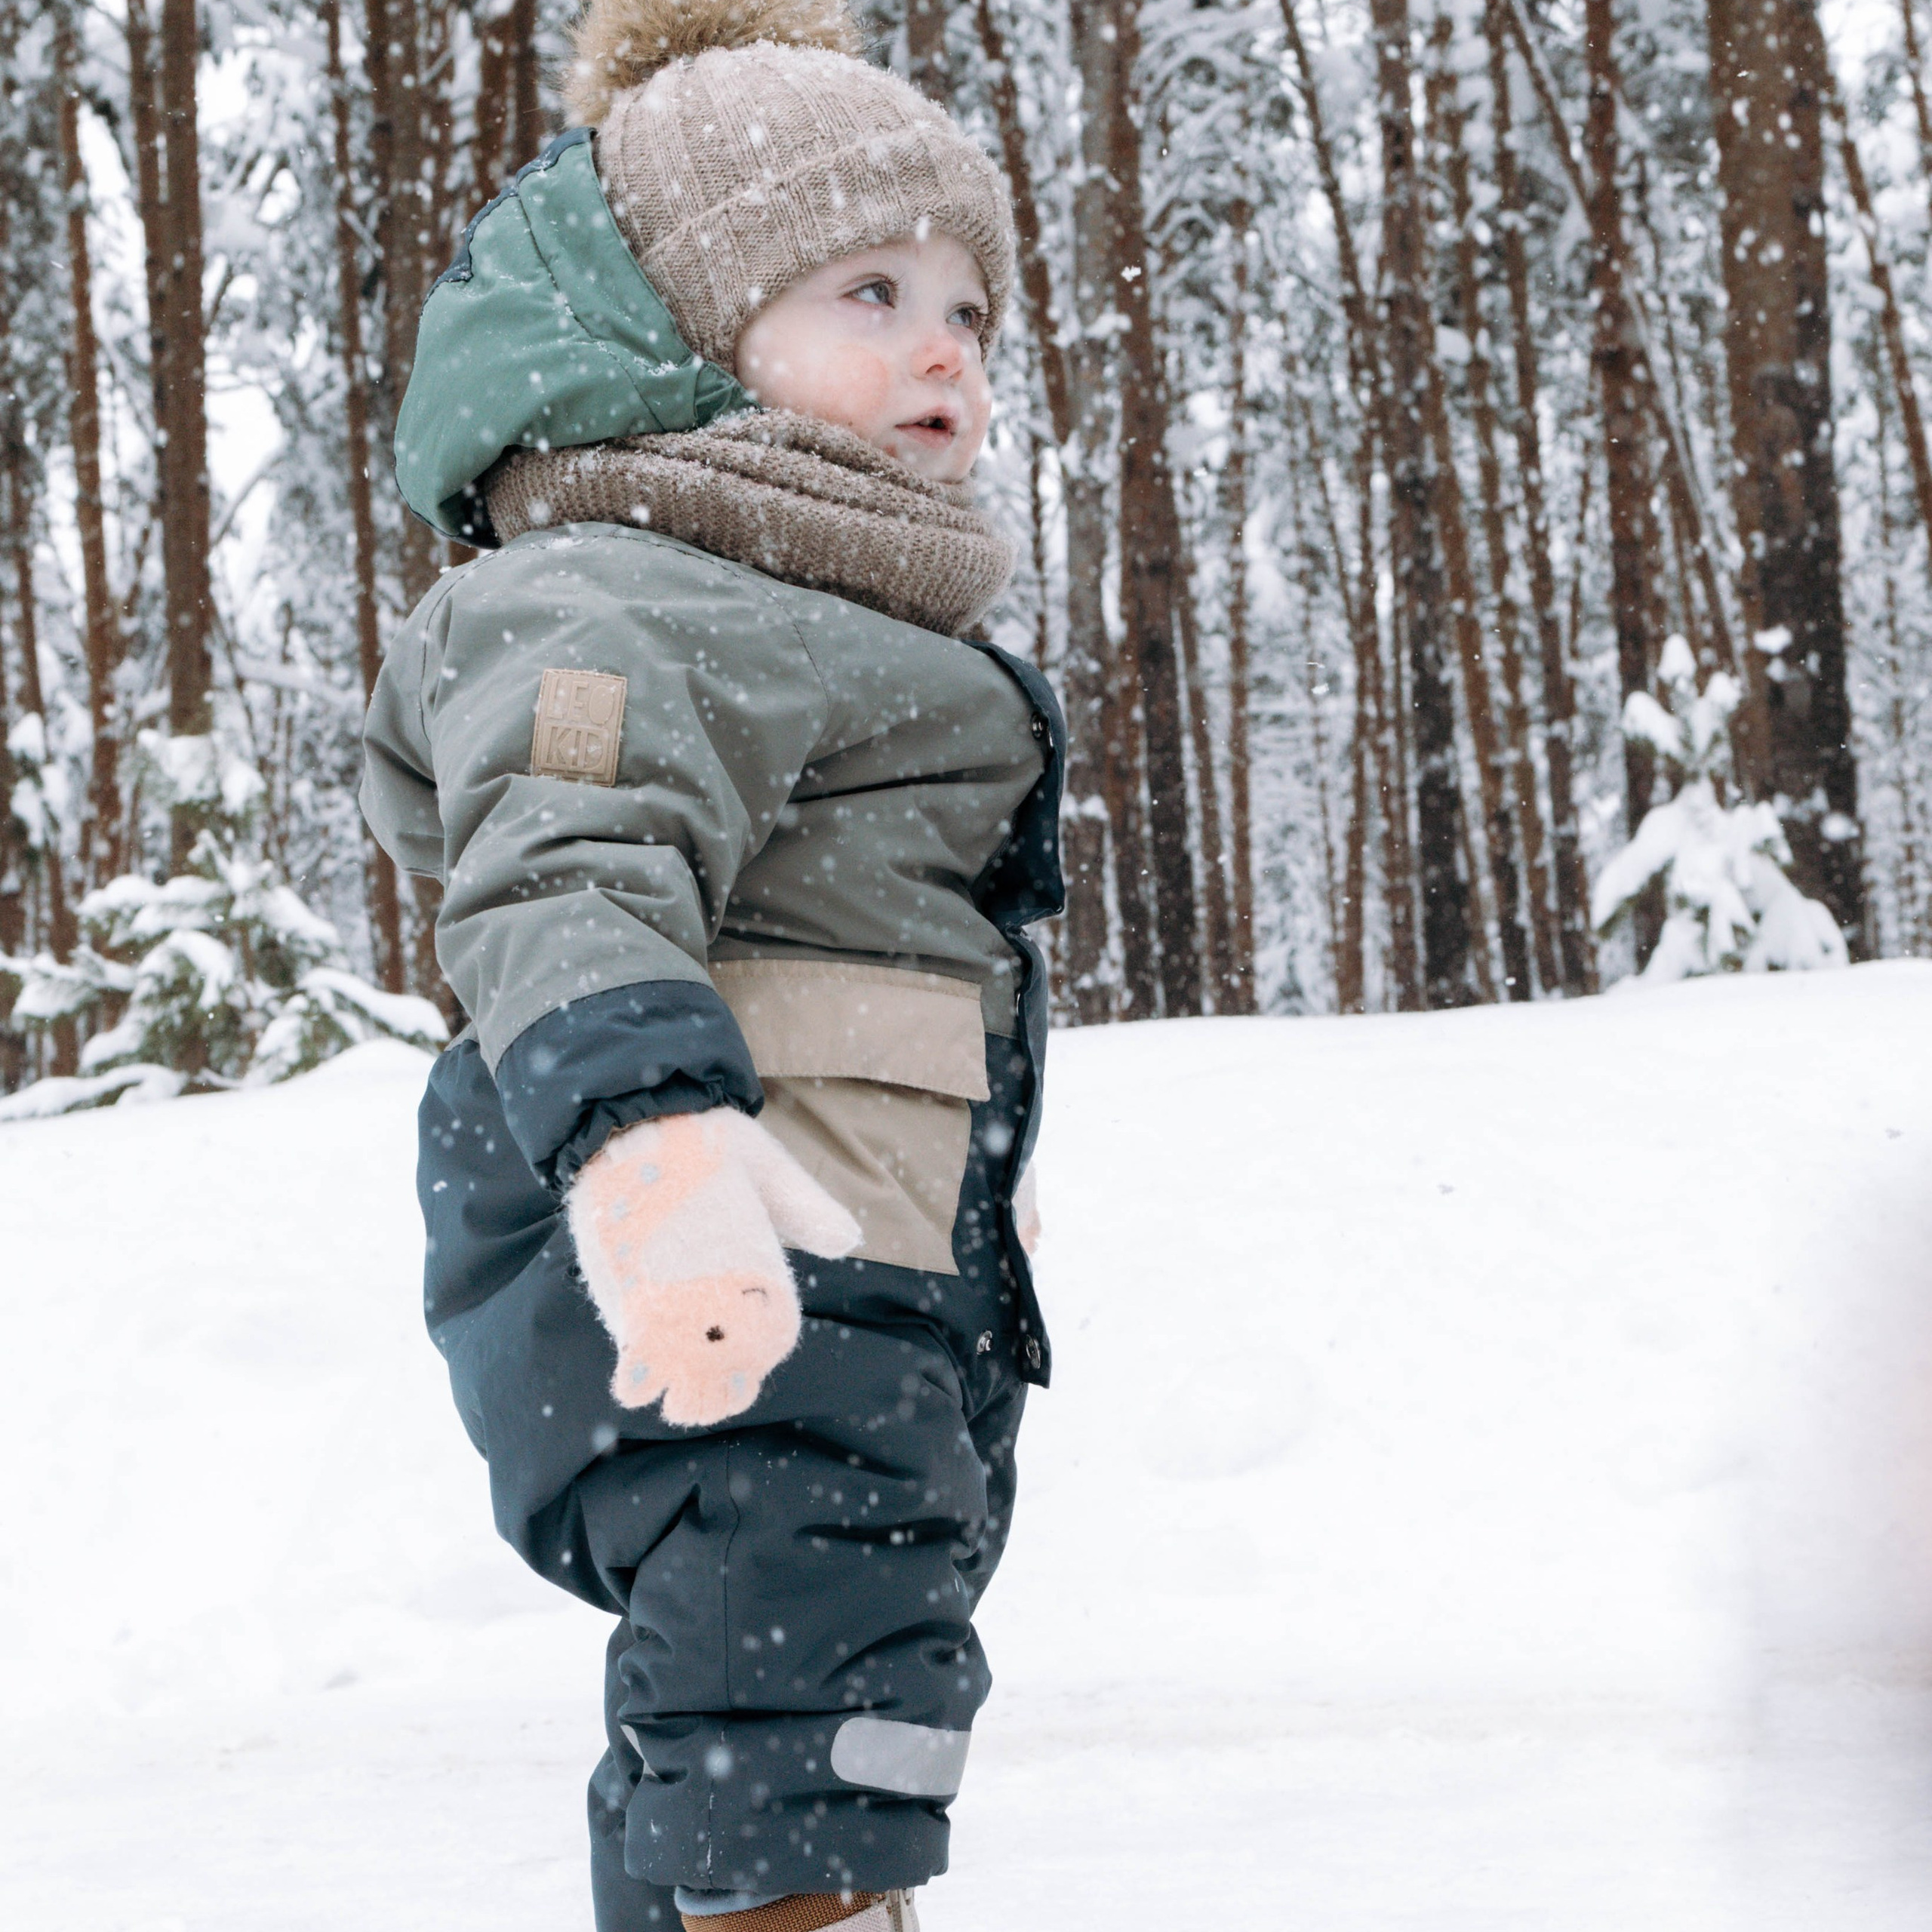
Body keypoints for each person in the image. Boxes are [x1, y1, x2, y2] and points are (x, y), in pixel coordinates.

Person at [358, 5, 1063, 1927]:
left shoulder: (793, 594)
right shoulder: (618, 588)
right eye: (867, 287)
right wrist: (648, 1142)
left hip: (847, 1249)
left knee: (800, 1687)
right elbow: (558, 865)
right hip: (713, 1229)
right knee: (797, 1673)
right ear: (685, 333)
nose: (942, 347)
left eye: (970, 311)